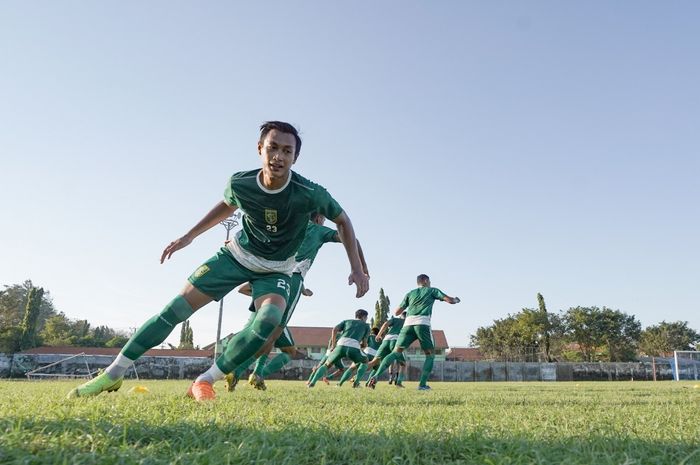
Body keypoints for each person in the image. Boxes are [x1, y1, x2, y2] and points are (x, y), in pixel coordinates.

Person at [68, 121, 369, 400]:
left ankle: (204, 380)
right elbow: (226, 205)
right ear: (260, 149)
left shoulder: (309, 193)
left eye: (286, 151)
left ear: (294, 158)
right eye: (273, 148)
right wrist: (190, 236)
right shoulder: (241, 183)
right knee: (174, 309)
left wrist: (356, 268)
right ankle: (113, 373)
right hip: (235, 256)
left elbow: (343, 222)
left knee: (268, 322)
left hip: (277, 269)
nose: (278, 156)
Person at [225, 213, 368, 391]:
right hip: (291, 281)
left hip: (269, 275)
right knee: (277, 341)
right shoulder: (318, 229)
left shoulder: (291, 224)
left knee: (262, 335)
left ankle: (252, 372)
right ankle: (243, 371)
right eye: (323, 219)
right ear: (318, 219)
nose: (323, 222)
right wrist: (362, 269)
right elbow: (352, 239)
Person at [367, 274, 459, 390]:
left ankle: (375, 376)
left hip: (407, 325)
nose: (430, 283)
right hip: (422, 324)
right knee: (430, 355)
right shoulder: (432, 290)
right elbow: (450, 300)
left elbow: (397, 312)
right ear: (425, 281)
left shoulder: (410, 293)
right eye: (429, 281)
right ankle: (422, 385)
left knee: (395, 352)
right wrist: (456, 299)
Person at [308, 309, 370, 387]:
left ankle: (312, 382)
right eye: (366, 318)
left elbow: (334, 329)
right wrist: (363, 345)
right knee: (365, 361)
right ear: (364, 317)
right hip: (354, 347)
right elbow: (364, 343)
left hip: (340, 345)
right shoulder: (366, 326)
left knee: (326, 365)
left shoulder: (346, 321)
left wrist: (333, 345)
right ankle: (356, 382)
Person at [366, 312, 406, 387]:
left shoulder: (395, 319)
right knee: (403, 364)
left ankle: (356, 376)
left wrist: (378, 335)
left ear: (401, 316)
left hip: (385, 341)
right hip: (396, 342)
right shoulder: (407, 323)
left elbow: (385, 324)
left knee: (374, 361)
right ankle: (399, 383)